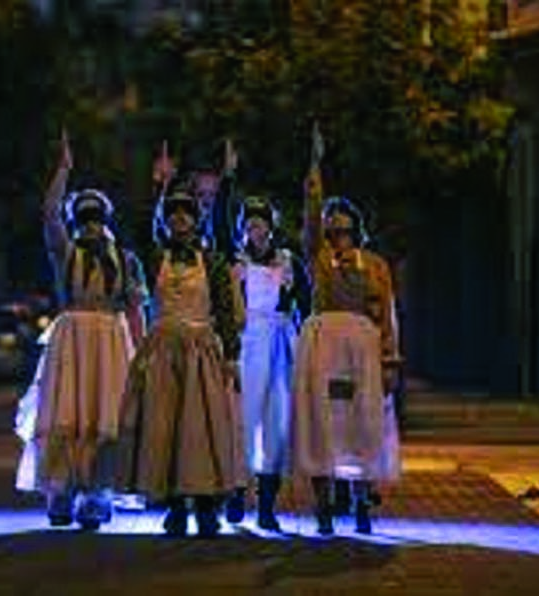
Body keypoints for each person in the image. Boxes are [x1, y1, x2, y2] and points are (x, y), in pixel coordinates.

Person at [15, 130, 139, 531]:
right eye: (83, 219)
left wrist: (139, 352)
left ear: (105, 221)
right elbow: (49, 214)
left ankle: (97, 493)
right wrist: (63, 172)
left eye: (96, 219)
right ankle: (62, 489)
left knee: (104, 417)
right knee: (67, 414)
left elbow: (136, 304)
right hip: (72, 338)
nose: (90, 226)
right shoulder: (67, 252)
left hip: (110, 338)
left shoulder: (124, 257)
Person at [116, 180, 245, 537]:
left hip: (200, 352)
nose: (179, 219)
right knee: (166, 429)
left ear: (195, 219)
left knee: (201, 430)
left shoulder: (213, 261)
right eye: (172, 213)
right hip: (162, 353)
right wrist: (158, 186)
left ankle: (206, 508)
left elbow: (225, 311)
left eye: (185, 213)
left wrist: (232, 355)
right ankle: (175, 507)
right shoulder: (155, 257)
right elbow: (139, 233)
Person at [291, 163, 402, 536]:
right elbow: (307, 233)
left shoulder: (375, 266)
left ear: (356, 229)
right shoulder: (320, 261)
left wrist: (390, 361)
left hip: (362, 352)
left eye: (344, 228)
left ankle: (362, 504)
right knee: (324, 426)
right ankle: (322, 507)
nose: (338, 235)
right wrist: (313, 193)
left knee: (362, 426)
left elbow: (387, 316)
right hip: (324, 349)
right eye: (331, 229)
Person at [222, 194, 311, 531]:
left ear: (271, 227)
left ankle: (267, 504)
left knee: (276, 422)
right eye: (249, 222)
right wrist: (227, 180)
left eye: (260, 222)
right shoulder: (236, 261)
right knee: (242, 420)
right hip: (247, 344)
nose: (254, 228)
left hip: (279, 344)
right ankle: (235, 492)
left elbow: (305, 303)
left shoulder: (289, 261)